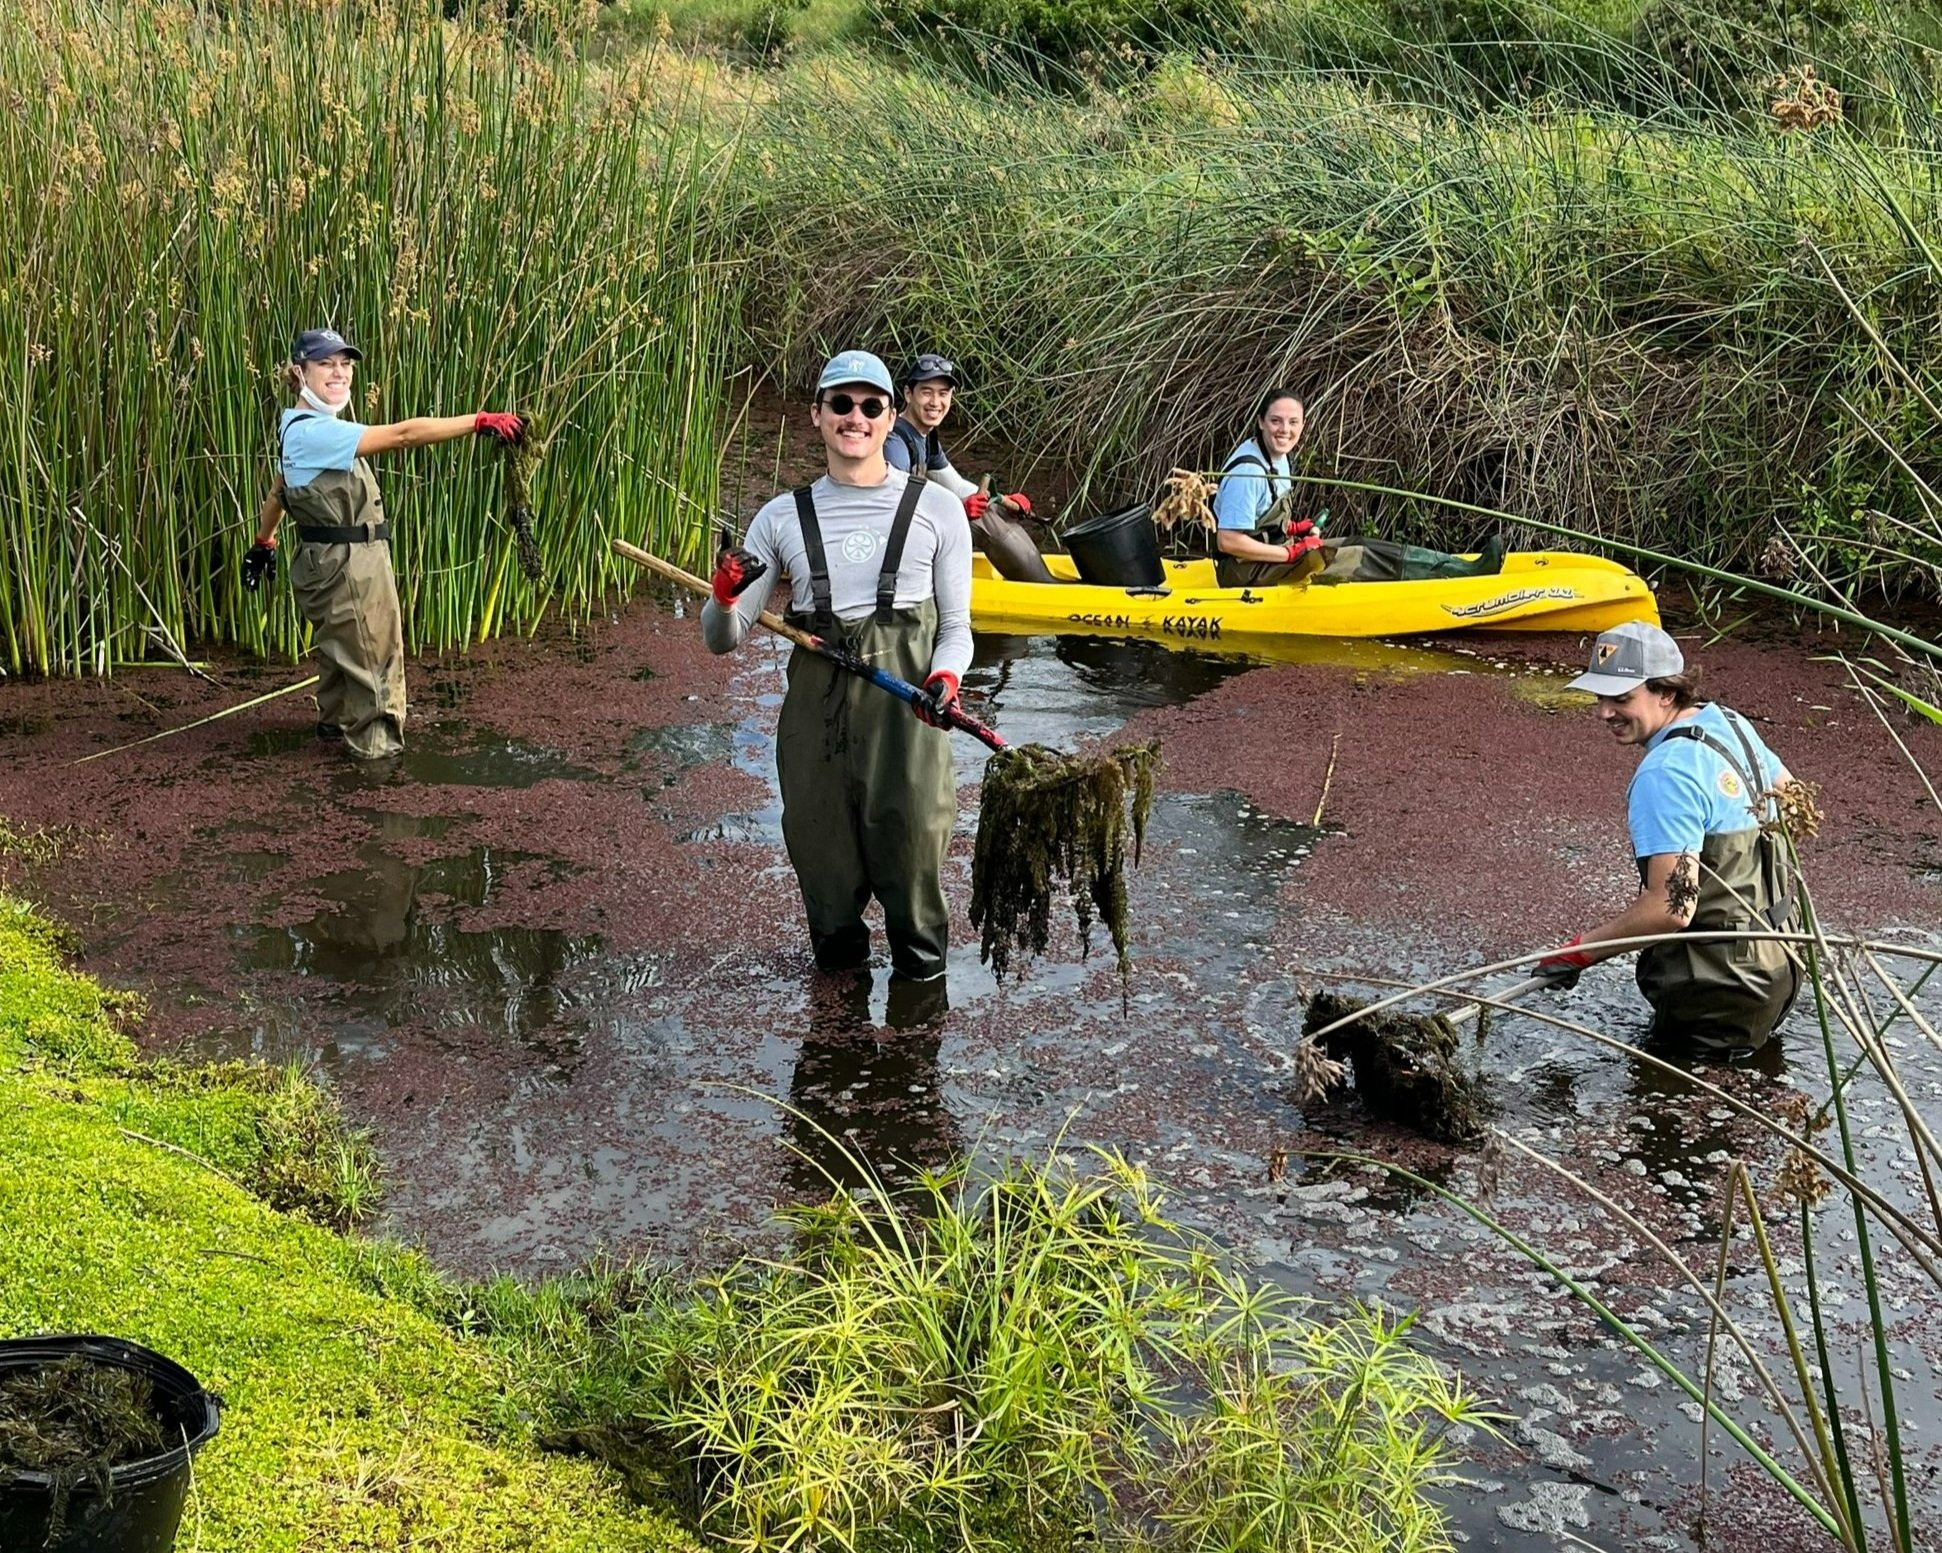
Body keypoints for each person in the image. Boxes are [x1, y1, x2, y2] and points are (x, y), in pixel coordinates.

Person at [703, 350, 972, 983]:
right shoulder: (777, 518)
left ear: (889, 416)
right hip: (814, 730)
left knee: (916, 909)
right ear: (817, 417)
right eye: (841, 405)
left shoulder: (938, 512)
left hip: (909, 722)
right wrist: (720, 597)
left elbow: (957, 630)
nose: (857, 417)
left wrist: (947, 679)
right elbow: (724, 640)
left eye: (870, 405)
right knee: (828, 904)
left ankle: (917, 1051)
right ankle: (832, 1053)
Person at [241, 328, 524, 760]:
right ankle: (377, 778)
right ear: (300, 372)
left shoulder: (295, 426)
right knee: (377, 670)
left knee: (343, 661)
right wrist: (478, 421)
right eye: (325, 364)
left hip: (326, 562)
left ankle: (332, 747)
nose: (340, 373)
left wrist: (264, 541)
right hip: (350, 567)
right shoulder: (317, 434)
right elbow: (403, 435)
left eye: (346, 364)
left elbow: (279, 491)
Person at [1536, 622, 1804, 1056]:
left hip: (1717, 987)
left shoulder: (1666, 773)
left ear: (1666, 692)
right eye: (1599, 697)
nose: (1603, 712)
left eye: (1621, 698)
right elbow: (1794, 805)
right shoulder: (1728, 723)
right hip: (1779, 962)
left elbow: (1672, 909)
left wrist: (1579, 951)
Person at [1211, 390, 1506, 588]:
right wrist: (1292, 555)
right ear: (1261, 422)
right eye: (1275, 421)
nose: (1284, 430)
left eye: (1293, 422)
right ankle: (1459, 578)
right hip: (1244, 572)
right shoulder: (1249, 471)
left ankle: (1461, 568)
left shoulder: (1278, 455)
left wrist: (1295, 528)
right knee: (1361, 557)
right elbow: (1230, 541)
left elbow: (1258, 517)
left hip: (1268, 555)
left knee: (1362, 542)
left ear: (1303, 425)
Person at [887, 353, 1054, 585]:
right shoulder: (895, 442)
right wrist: (957, 510)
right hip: (892, 547)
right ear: (908, 394)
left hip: (912, 530)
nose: (936, 402)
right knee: (981, 518)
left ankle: (1041, 578)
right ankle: (1043, 587)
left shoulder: (926, 436)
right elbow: (892, 507)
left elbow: (956, 486)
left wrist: (1002, 500)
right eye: (926, 392)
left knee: (991, 509)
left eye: (943, 394)